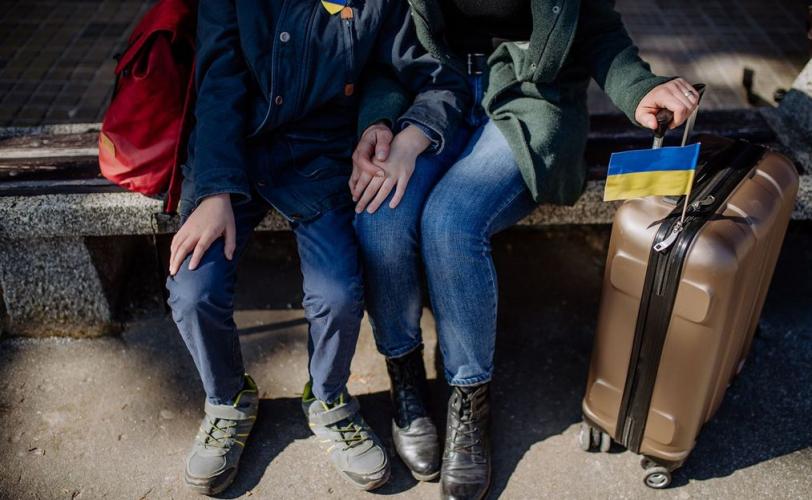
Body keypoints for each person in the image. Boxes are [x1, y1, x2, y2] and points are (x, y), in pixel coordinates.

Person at [351, 1, 700, 498]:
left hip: (531, 99)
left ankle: (469, 401)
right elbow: (384, 49)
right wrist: (380, 122)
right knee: (380, 217)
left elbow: (596, 27)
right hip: (430, 94)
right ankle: (405, 379)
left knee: (451, 223)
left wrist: (640, 87)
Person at [165, 0, 468, 495]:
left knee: (338, 294)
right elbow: (217, 84)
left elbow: (432, 76)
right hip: (232, 152)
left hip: (319, 158)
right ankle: (227, 400)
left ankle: (328, 398)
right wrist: (214, 191)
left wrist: (400, 129)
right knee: (193, 288)